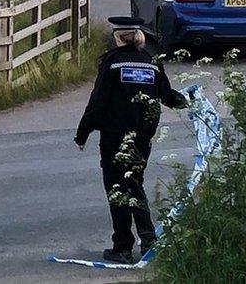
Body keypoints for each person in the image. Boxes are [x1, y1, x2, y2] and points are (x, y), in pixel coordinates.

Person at [74, 16, 186, 264]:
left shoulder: (112, 63)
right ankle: (148, 240)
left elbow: (98, 102)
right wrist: (189, 100)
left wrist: (82, 133)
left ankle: (122, 246)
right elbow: (166, 95)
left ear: (118, 38)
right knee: (134, 184)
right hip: (142, 137)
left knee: (117, 188)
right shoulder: (152, 63)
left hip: (115, 137)